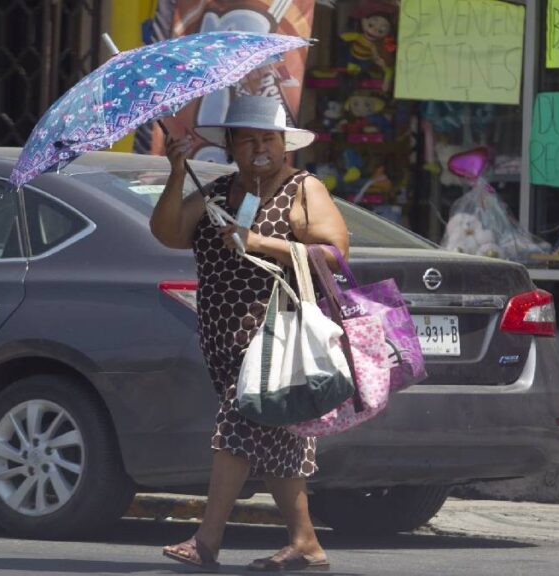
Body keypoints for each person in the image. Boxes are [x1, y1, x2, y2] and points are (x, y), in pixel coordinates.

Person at [150, 95, 349, 572]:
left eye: (268, 139)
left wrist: (258, 242)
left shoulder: (302, 188)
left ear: (285, 146)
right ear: (233, 148)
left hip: (274, 336)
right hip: (222, 335)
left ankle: (207, 541)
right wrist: (178, 172)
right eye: (248, 140)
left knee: (236, 429)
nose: (259, 148)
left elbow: (336, 252)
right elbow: (169, 233)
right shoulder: (218, 191)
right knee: (276, 438)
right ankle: (305, 543)